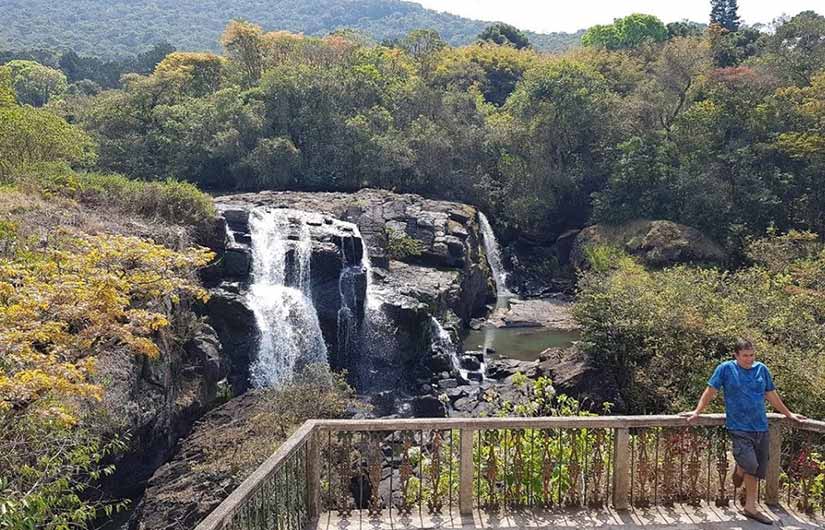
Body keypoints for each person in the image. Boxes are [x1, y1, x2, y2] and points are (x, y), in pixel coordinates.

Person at [684, 338, 805, 525]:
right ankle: (742, 469)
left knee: (756, 470)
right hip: (739, 427)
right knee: (750, 464)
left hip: (761, 426)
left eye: (752, 355)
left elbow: (770, 394)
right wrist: (697, 411)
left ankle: (750, 507)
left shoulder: (761, 369)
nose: (749, 359)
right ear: (736, 355)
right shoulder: (726, 368)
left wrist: (789, 414)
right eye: (745, 356)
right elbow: (711, 390)